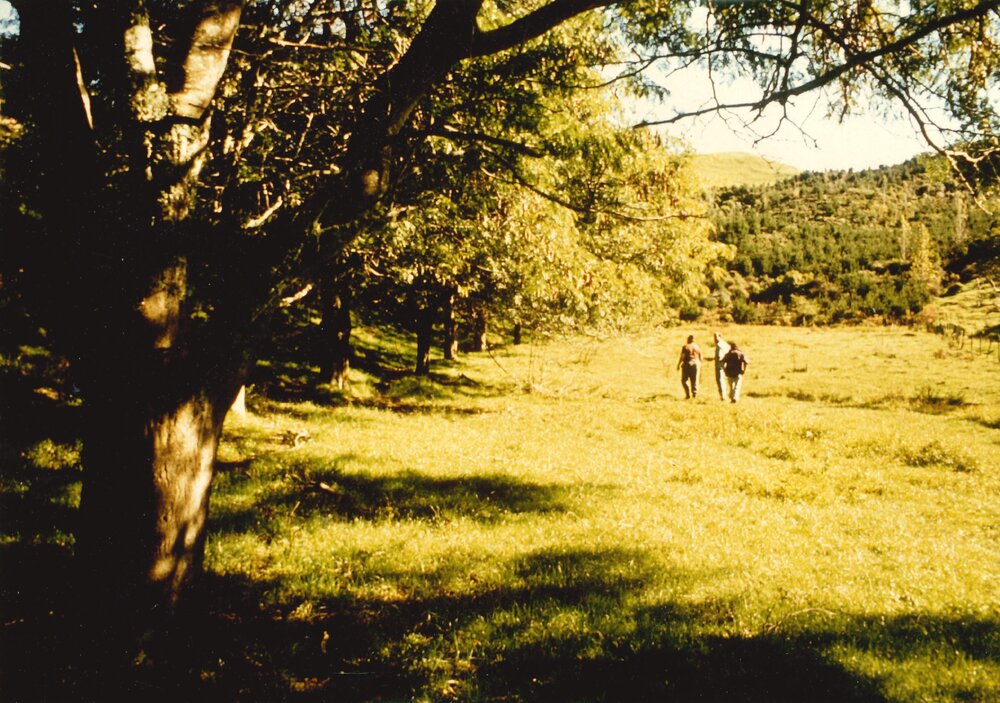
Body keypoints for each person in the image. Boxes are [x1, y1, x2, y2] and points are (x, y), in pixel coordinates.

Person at [676, 334, 703, 399]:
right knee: (695, 379)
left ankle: (688, 394)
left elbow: (682, 357)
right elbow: (701, 357)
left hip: (687, 363)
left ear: (688, 339)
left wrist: (678, 364)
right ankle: (694, 394)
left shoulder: (685, 346)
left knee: (684, 380)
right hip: (696, 363)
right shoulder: (697, 347)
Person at [712, 331, 730, 401]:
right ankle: (724, 395)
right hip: (724, 365)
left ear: (720, 337)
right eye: (714, 337)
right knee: (723, 380)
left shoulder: (719, 345)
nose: (715, 339)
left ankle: (723, 396)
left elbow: (719, 356)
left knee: (720, 381)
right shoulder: (725, 344)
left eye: (716, 337)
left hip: (720, 366)